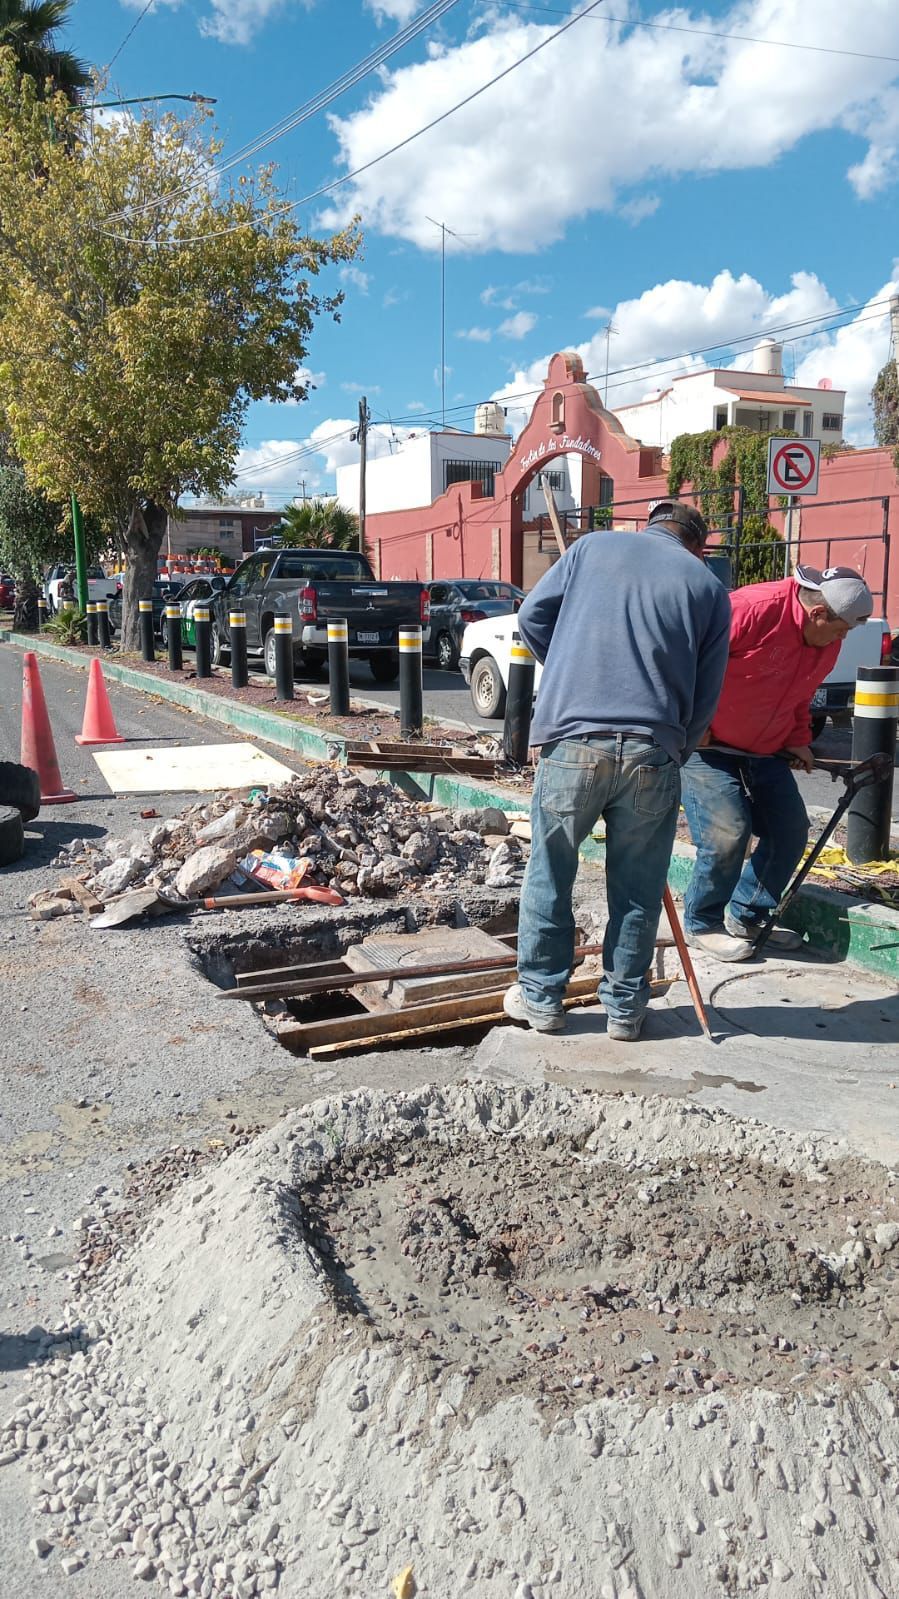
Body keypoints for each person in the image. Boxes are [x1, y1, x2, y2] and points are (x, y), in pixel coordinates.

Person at [504, 501, 732, 1042]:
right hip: (653, 750)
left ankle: (541, 1000)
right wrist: (678, 745)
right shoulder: (705, 587)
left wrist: (565, 665)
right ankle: (625, 1011)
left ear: (649, 525)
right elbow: (707, 690)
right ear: (697, 545)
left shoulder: (590, 548)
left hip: (573, 743)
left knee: (551, 870)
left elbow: (533, 616)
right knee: (637, 886)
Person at [682, 564, 873, 961]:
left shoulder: (824, 641)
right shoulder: (752, 609)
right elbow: (683, 659)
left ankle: (747, 914)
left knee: (789, 830)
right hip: (707, 746)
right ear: (817, 613)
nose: (844, 638)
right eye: (842, 628)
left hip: (764, 749)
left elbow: (801, 692)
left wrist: (799, 739)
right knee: (727, 833)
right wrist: (690, 719)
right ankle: (703, 922)